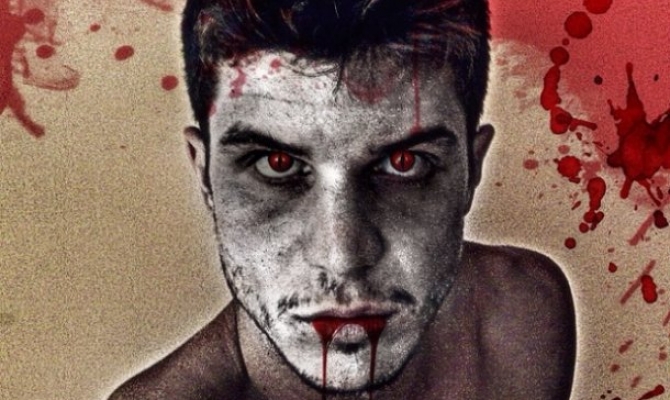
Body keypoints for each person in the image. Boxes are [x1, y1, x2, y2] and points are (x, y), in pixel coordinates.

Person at [109, 0, 576, 398]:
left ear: (472, 170)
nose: (342, 259)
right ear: (206, 176)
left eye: (404, 163)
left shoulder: (521, 313)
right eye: (276, 164)